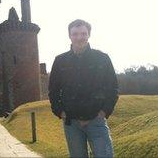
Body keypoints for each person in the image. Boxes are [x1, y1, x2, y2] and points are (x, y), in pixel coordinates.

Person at [48, 19, 119, 158]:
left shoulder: (102, 58)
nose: (79, 37)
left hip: (96, 120)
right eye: (75, 34)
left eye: (83, 33)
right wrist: (60, 112)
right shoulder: (60, 61)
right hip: (71, 123)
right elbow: (53, 90)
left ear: (89, 35)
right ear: (69, 36)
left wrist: (104, 112)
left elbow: (113, 88)